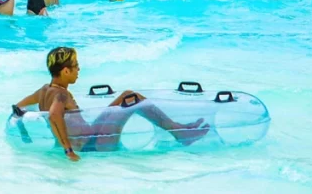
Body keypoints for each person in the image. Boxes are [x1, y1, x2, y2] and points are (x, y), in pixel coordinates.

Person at [11, 48, 209, 160]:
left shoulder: (44, 90)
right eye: (75, 67)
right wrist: (68, 150)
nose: (79, 70)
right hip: (93, 144)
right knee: (133, 99)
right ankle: (179, 132)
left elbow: (18, 108)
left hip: (91, 136)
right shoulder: (61, 96)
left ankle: (179, 130)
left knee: (128, 95)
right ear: (65, 71)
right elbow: (54, 115)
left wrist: (24, 134)